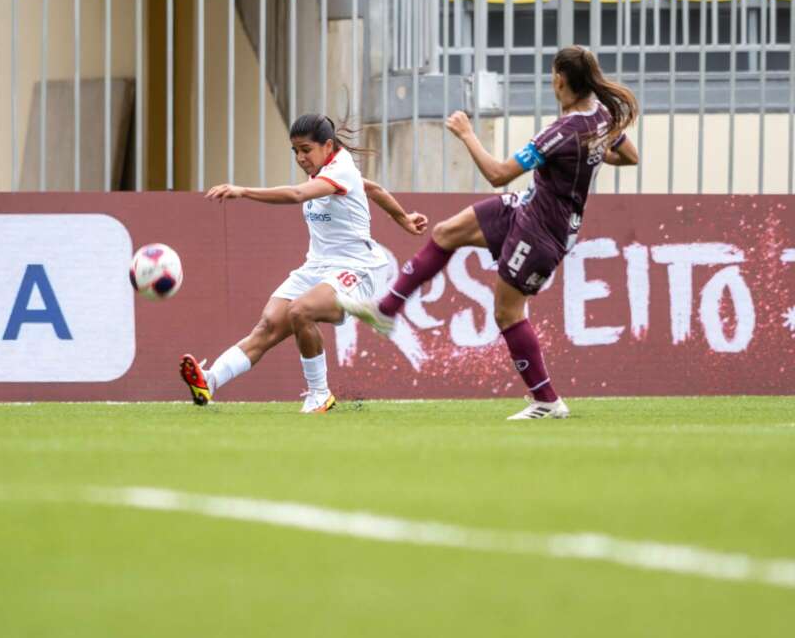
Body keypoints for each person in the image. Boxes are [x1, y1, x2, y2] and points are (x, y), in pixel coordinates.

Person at [338, 46, 640, 420]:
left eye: (552, 73)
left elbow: (498, 174)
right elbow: (631, 157)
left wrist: (467, 134)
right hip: (527, 207)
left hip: (544, 230)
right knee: (448, 232)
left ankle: (547, 401)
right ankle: (386, 310)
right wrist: (591, 154)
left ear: (559, 78)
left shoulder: (560, 132)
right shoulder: (601, 117)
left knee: (508, 313)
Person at [179, 114, 428, 413]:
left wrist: (243, 191)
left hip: (357, 268)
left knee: (301, 311)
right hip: (317, 267)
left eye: (305, 149)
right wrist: (404, 218)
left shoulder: (341, 169)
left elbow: (297, 194)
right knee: (269, 324)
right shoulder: (329, 168)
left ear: (327, 145)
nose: (300, 157)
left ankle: (320, 394)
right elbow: (372, 189)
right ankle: (211, 380)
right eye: (295, 151)